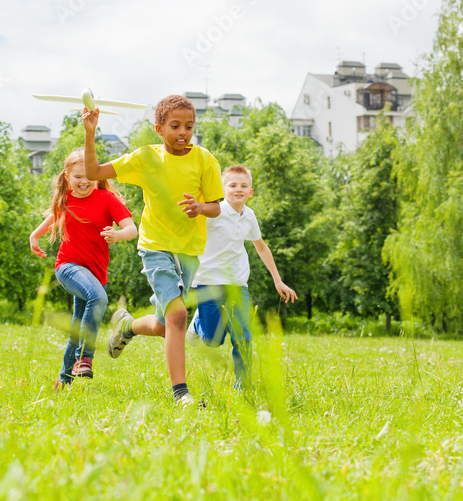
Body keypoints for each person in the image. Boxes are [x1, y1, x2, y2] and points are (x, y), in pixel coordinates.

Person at [84, 95, 223, 406]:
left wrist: (201, 207)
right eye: (175, 126)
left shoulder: (204, 159)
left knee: (165, 326)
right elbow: (94, 172)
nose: (183, 132)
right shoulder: (146, 158)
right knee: (178, 317)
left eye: (189, 126)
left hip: (188, 252)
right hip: (155, 247)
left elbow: (216, 207)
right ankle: (181, 395)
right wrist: (90, 131)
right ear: (159, 129)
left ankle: (127, 326)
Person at [29, 149, 136, 389]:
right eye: (78, 176)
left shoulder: (107, 199)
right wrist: (35, 235)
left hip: (95, 273)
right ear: (67, 176)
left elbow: (131, 228)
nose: (84, 181)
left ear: (98, 176)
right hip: (68, 266)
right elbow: (53, 218)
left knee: (78, 326)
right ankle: (85, 357)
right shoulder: (65, 199)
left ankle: (63, 380)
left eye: (89, 175)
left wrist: (117, 235)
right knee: (98, 298)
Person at [187, 165, 298, 389]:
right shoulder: (214, 212)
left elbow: (261, 248)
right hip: (208, 282)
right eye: (233, 185)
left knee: (243, 335)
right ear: (223, 189)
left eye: (243, 186)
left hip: (237, 284)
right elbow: (191, 234)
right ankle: (197, 323)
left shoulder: (249, 216)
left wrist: (278, 280)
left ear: (251, 192)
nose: (238, 189)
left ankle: (243, 383)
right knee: (213, 340)